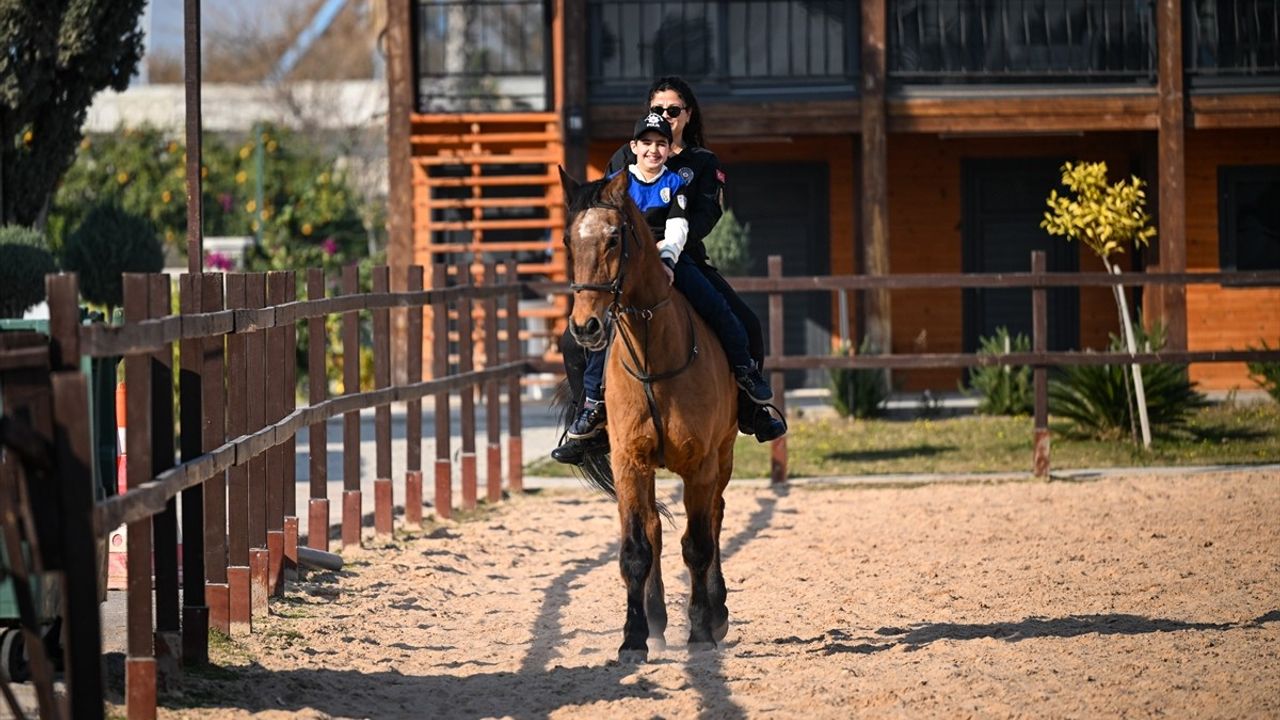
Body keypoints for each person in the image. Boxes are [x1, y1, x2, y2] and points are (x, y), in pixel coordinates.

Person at [553, 77, 786, 464]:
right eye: (658, 110)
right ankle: (590, 419)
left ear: (687, 115)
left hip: (683, 257)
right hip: (624, 263)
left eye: (673, 111)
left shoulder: (701, 164)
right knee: (572, 342)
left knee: (746, 322)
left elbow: (707, 214)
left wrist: (667, 250)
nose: (665, 118)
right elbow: (600, 211)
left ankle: (750, 408)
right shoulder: (623, 160)